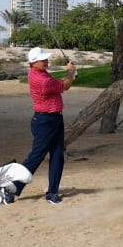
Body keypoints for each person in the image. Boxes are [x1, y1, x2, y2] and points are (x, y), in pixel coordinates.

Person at [18, 47, 76, 204]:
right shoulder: (43, 81)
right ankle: (12, 189)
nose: (46, 61)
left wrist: (68, 76)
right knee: (36, 157)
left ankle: (52, 193)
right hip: (45, 122)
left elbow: (61, 83)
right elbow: (66, 86)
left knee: (58, 156)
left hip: (55, 119)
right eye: (42, 60)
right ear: (33, 63)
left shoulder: (38, 73)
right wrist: (70, 73)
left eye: (45, 59)